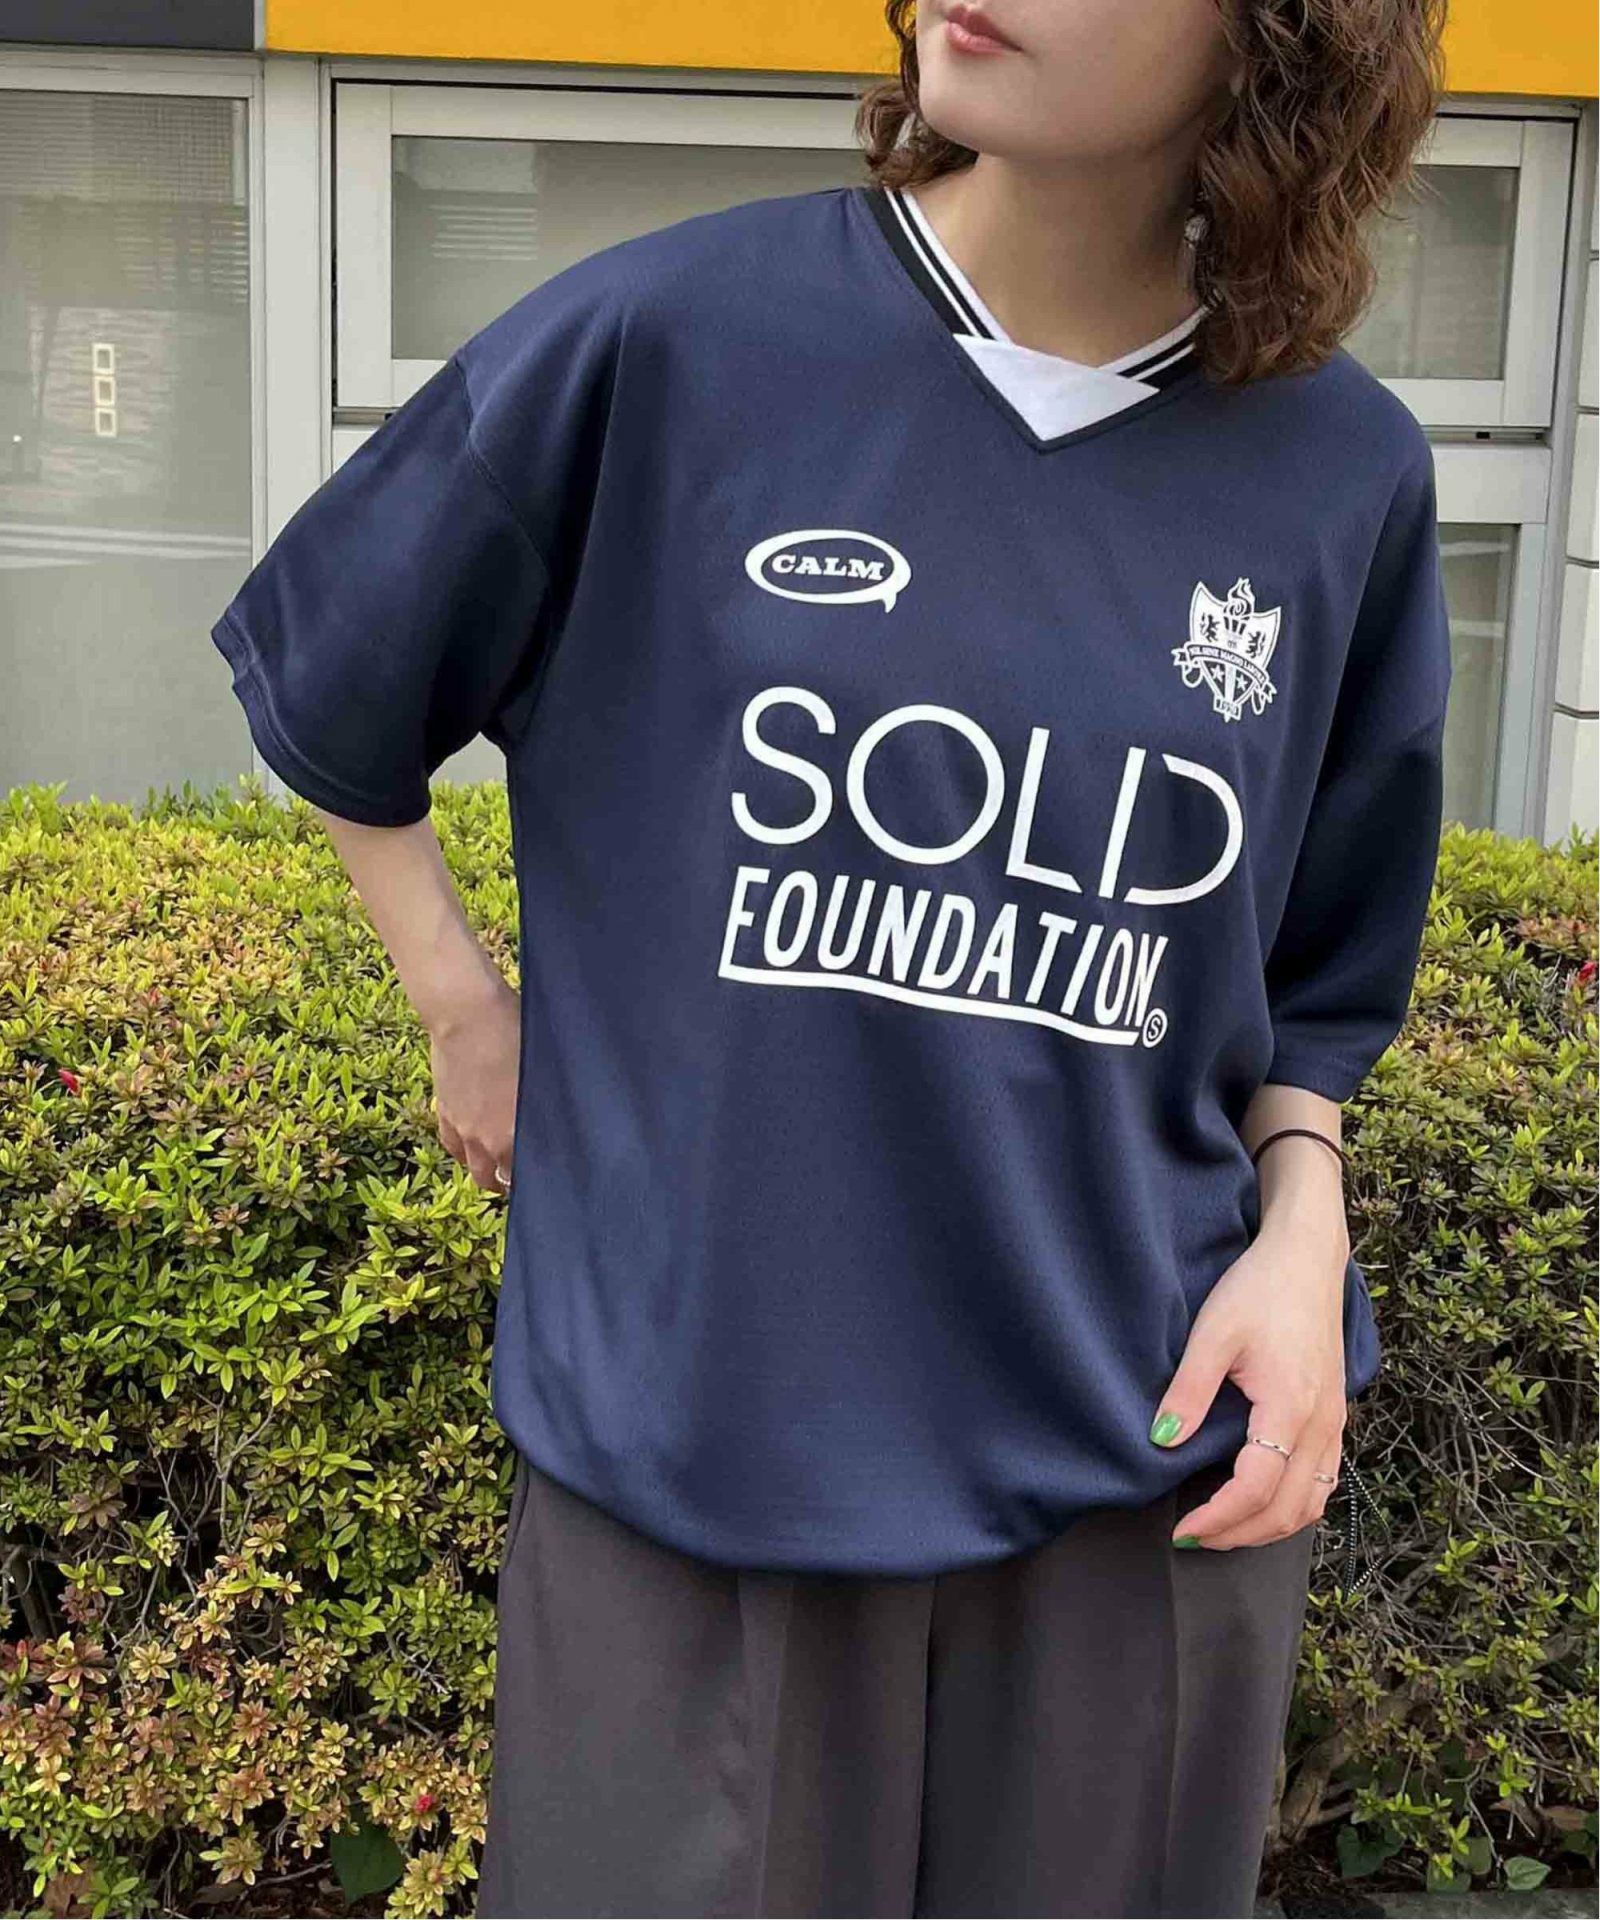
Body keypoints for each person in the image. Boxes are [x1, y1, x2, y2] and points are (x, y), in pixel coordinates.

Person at [207, 0, 1453, 1912]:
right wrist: (465, 1008)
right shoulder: (671, 338)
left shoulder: (1338, 467)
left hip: (1146, 1476)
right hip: (701, 1449)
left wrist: (1305, 1233)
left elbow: (1315, 976)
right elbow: (340, 665)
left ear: (1282, 37)